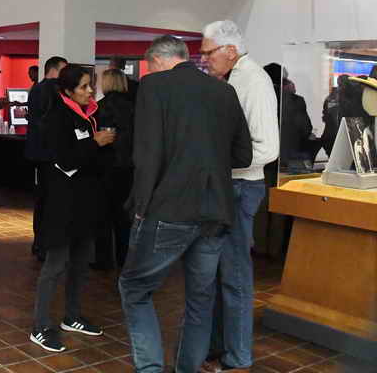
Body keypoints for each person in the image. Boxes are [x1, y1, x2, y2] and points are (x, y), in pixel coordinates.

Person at [118, 35, 252, 373]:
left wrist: (140, 207)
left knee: (134, 288)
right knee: (200, 300)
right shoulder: (224, 90)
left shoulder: (154, 86)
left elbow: (147, 154)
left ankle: (150, 369)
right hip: (215, 211)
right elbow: (243, 154)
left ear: (158, 61)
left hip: (169, 208)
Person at [200, 20, 280, 373]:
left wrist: (217, 160)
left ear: (230, 51)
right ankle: (221, 348)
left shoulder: (254, 81)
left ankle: (238, 358)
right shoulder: (234, 79)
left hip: (241, 186)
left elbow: (267, 148)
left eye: (208, 52)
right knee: (221, 276)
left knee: (234, 278)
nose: (205, 59)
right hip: (229, 185)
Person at [30, 64, 115, 353]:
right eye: (83, 87)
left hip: (87, 201)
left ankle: (72, 316)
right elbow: (66, 159)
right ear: (67, 91)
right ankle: (40, 326)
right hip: (63, 203)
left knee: (81, 261)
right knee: (56, 264)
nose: (90, 91)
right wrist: (95, 143)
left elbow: (93, 160)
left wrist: (101, 146)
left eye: (91, 85)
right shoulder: (56, 117)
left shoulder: (90, 115)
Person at [25, 56, 68, 260]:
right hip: (49, 153)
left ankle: (41, 242)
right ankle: (44, 243)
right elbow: (47, 123)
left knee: (44, 198)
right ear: (54, 69)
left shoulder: (38, 89)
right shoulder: (50, 90)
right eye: (64, 69)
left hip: (42, 153)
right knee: (48, 198)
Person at [95, 68, 135, 270]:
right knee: (124, 216)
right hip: (128, 167)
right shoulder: (134, 107)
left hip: (105, 166)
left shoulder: (99, 107)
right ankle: (124, 258)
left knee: (103, 214)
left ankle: (102, 259)